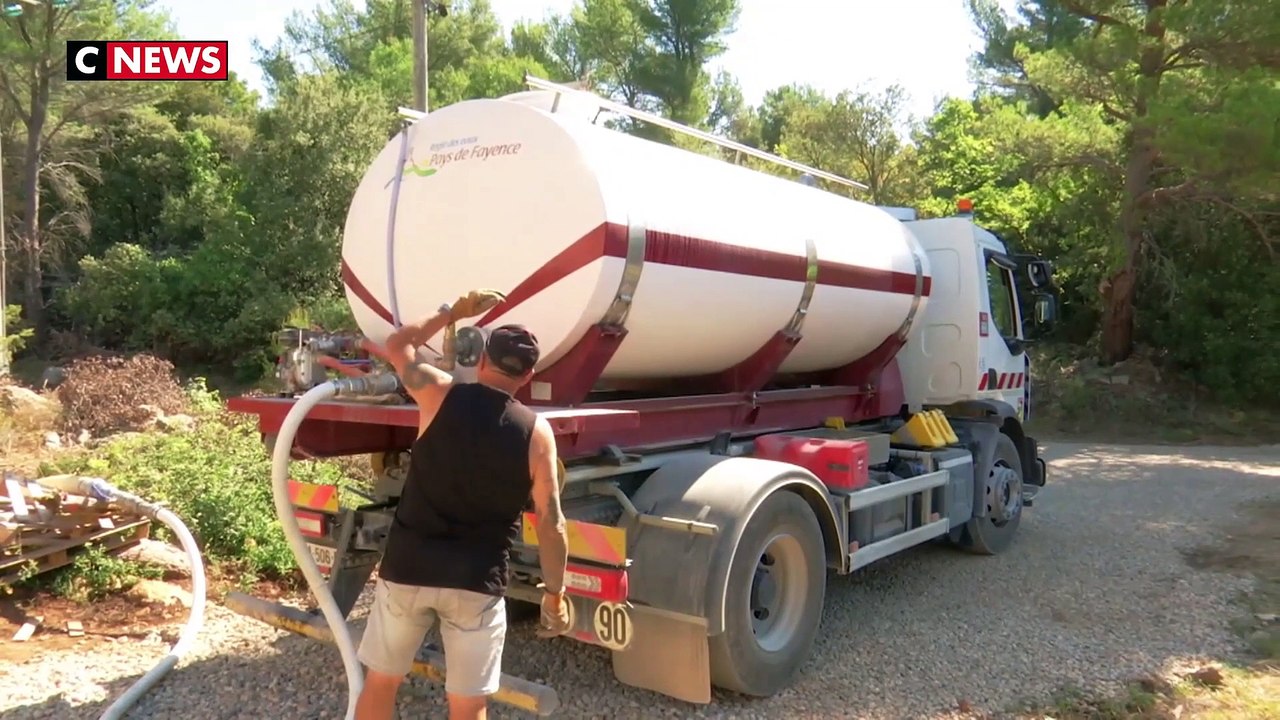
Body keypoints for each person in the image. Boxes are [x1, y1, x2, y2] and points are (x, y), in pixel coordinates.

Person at [355, 290, 571, 720]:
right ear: (528, 375)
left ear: (482, 359)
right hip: (477, 581)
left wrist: (450, 312)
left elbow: (397, 345)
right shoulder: (537, 434)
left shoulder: (438, 393)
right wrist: (554, 593)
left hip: (409, 568)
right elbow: (552, 523)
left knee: (381, 681)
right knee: (470, 703)